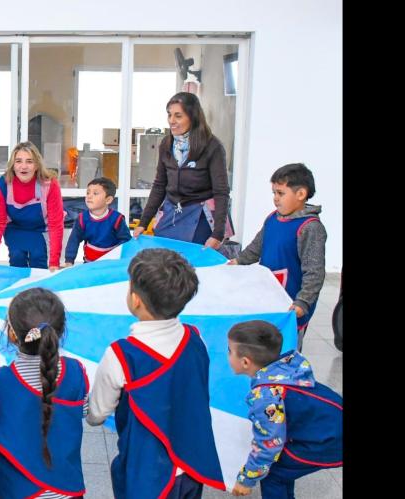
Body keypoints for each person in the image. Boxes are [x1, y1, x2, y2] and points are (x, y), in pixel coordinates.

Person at [86, 248, 225, 498]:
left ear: (136, 299)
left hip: (148, 473)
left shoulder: (122, 355)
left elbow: (96, 414)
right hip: (191, 464)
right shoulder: (195, 338)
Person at [0, 288, 89, 498]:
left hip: (18, 490)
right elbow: (86, 411)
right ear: (59, 331)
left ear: (11, 333)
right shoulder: (75, 372)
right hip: (68, 488)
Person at [226, 320, 342, 498]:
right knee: (283, 467)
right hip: (331, 427)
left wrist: (245, 479)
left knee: (273, 473)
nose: (227, 355)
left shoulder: (266, 397)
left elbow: (269, 444)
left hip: (330, 442)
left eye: (229, 351)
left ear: (245, 362)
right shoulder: (285, 366)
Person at [228, 163, 326, 351]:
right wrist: (239, 261)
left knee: (287, 350)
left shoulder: (310, 228)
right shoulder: (273, 218)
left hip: (291, 304)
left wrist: (302, 302)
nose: (275, 199)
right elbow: (258, 245)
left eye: (280, 193)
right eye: (274, 193)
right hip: (269, 296)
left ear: (300, 194)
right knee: (265, 345)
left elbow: (314, 272)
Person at [133, 92, 232, 248]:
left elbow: (221, 192)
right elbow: (159, 186)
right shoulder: (166, 144)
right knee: (163, 260)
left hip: (198, 215)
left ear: (193, 117)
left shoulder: (212, 147)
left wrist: (217, 234)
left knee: (192, 265)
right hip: (171, 212)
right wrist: (144, 222)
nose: (172, 121)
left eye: (178, 116)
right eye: (169, 115)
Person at [0, 142, 64, 271]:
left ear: (37, 165)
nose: (23, 166)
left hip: (40, 230)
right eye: (18, 161)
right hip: (14, 228)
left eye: (29, 161)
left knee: (38, 257)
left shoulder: (50, 185)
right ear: (13, 165)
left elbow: (55, 225)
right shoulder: (3, 184)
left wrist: (54, 262)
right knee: (17, 257)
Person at [63, 177, 131, 265]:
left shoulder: (116, 219)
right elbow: (74, 240)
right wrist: (69, 260)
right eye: (88, 193)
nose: (89, 196)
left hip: (111, 265)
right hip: (89, 264)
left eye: (95, 193)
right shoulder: (82, 219)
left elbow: (126, 241)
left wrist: (120, 260)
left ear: (108, 200)